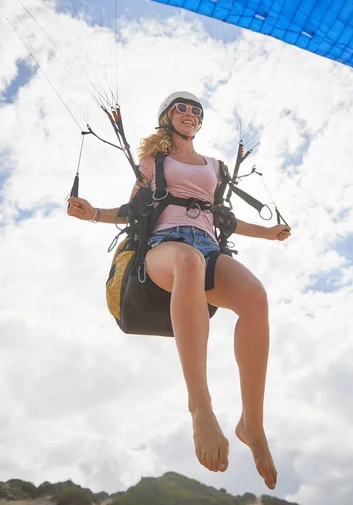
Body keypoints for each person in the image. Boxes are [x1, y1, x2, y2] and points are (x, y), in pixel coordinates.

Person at [68, 91, 291, 489]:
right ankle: (200, 406)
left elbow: (223, 217)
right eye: (181, 108)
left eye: (195, 110)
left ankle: (251, 424)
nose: (189, 113)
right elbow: (132, 210)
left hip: (208, 246)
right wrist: (94, 214)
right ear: (167, 118)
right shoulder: (152, 163)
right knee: (187, 259)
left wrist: (269, 234)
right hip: (163, 250)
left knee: (256, 298)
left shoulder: (215, 166)